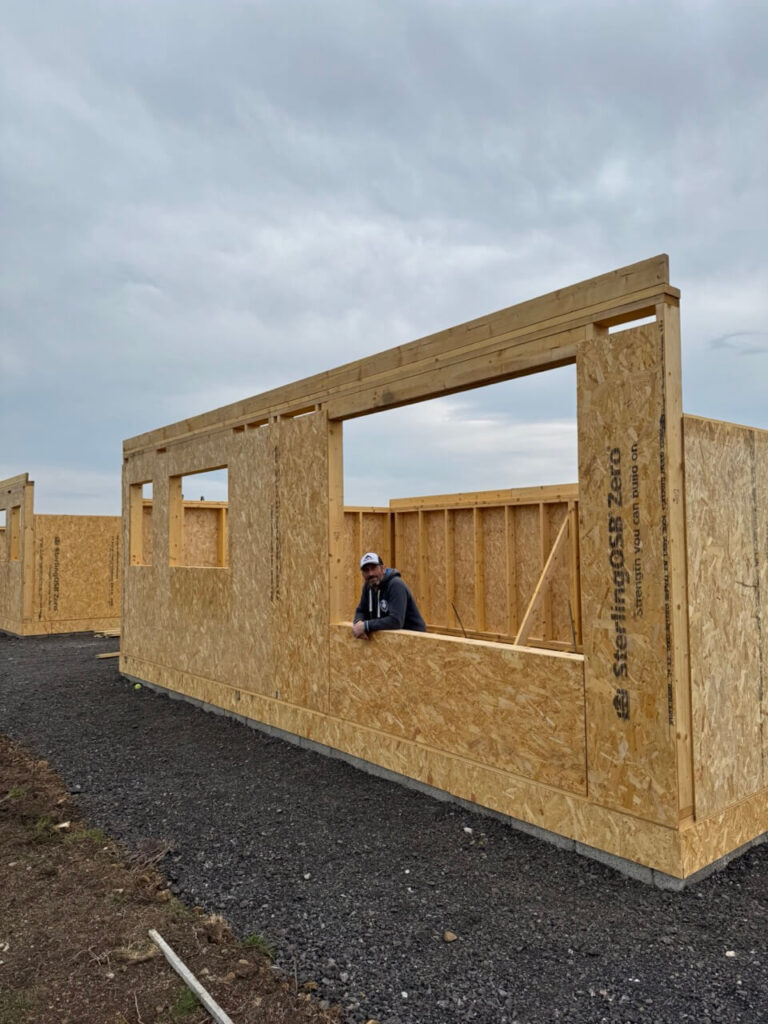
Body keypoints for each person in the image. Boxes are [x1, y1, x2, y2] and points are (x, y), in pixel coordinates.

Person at [352, 552, 426, 638]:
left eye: (374, 568)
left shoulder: (395, 585)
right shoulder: (368, 586)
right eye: (366, 570)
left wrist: (366, 626)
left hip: (414, 639)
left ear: (383, 569)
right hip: (391, 640)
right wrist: (358, 623)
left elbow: (396, 621)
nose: (370, 574)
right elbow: (361, 611)